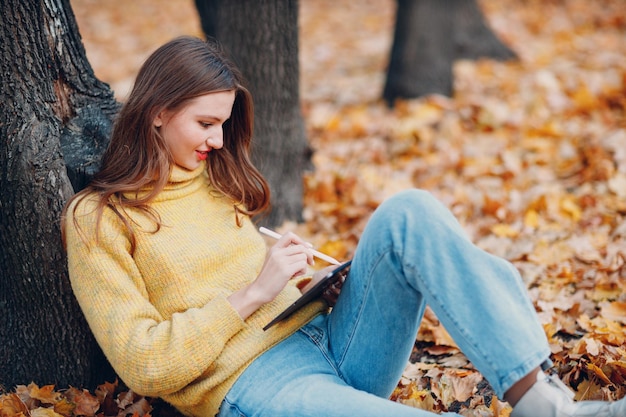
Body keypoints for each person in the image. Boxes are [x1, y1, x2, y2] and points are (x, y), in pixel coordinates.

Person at [62, 36, 625, 417]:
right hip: (254, 385)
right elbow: (144, 362)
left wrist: (311, 290)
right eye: (205, 123)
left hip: (330, 342)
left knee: (410, 212)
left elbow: (265, 292)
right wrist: (255, 291)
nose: (216, 140)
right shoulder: (100, 220)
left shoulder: (211, 179)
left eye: (223, 124)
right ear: (158, 110)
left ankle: (539, 400)